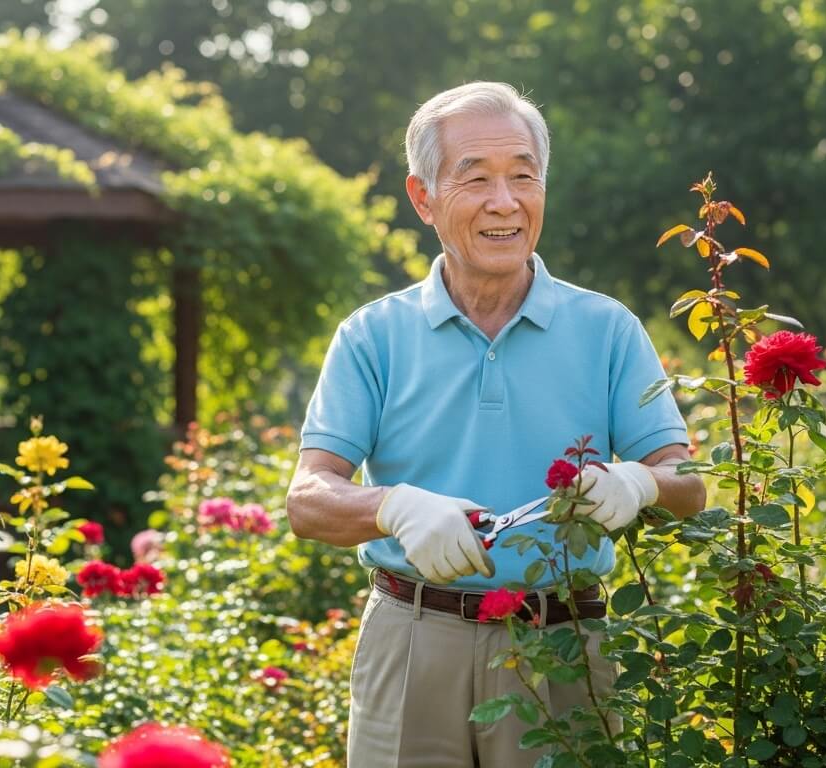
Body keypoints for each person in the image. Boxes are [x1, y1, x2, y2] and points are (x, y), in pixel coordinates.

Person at [285, 81, 707, 767]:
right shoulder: (372, 336)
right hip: (414, 641)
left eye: (523, 176)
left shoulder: (607, 330)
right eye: (475, 179)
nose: (505, 202)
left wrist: (640, 485)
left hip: (564, 645)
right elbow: (308, 500)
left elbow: (688, 480)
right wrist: (394, 506)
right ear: (423, 197)